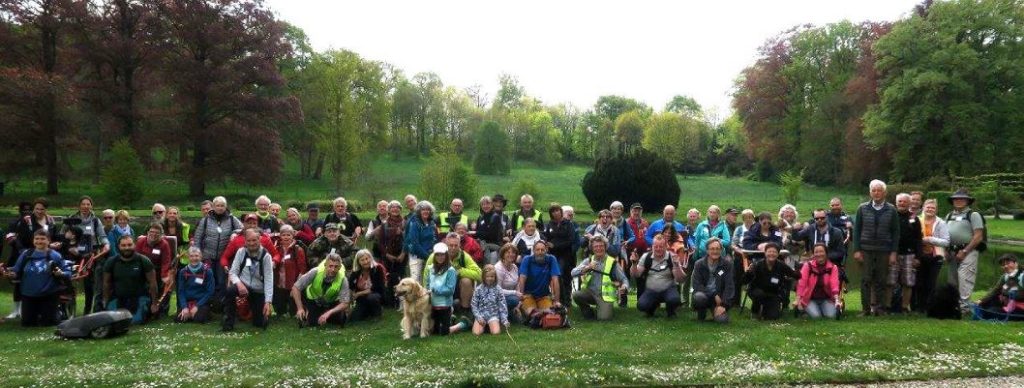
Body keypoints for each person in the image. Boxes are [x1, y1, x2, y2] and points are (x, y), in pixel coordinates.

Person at [852, 179, 900, 316]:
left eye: (879, 190)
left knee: (881, 280)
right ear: (870, 192)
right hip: (865, 250)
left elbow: (896, 233)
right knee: (866, 280)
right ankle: (865, 309)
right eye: (874, 190)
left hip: (884, 251)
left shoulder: (891, 210)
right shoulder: (862, 208)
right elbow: (857, 230)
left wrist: (893, 252)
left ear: (884, 192)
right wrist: (856, 250)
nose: (876, 193)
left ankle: (880, 308)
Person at [4, 230, 70, 327]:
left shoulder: (55, 255)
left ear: (49, 241)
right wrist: (8, 273)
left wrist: (61, 273)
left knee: (47, 324)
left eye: (43, 239)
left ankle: (57, 313)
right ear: (33, 240)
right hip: (28, 294)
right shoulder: (26, 254)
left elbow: (68, 273)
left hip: (48, 294)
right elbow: (16, 271)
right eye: (37, 239)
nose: (39, 241)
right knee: (27, 324)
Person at [7, 197, 56, 320]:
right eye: (37, 209)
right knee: (21, 280)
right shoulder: (27, 220)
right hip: (27, 254)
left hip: (45, 254)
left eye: (42, 209)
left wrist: (55, 244)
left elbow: (53, 236)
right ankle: (16, 310)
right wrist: (23, 251)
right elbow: (19, 238)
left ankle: (38, 308)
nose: (39, 211)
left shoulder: (50, 220)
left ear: (46, 210)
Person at [222, 229, 275, 331]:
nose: (251, 243)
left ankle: (262, 314)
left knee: (259, 323)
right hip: (244, 285)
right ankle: (228, 322)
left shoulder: (266, 256)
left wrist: (268, 301)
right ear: (245, 241)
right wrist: (239, 284)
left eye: (254, 240)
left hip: (258, 289)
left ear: (259, 240)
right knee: (230, 291)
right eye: (249, 241)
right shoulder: (241, 252)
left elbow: (269, 279)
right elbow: (233, 272)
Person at [945, 188, 987, 313]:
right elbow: (944, 235)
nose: (958, 201)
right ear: (952, 201)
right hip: (952, 251)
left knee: (965, 278)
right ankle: (953, 304)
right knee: (952, 280)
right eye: (956, 199)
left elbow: (978, 236)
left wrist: (965, 251)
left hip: (968, 251)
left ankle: (965, 307)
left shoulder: (973, 215)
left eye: (962, 199)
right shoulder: (949, 215)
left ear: (968, 201)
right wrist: (945, 250)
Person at [193, 196, 242, 302]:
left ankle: (220, 303)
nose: (220, 208)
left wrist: (234, 233)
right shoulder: (205, 220)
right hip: (207, 256)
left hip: (223, 257)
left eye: (222, 206)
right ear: (213, 207)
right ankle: (207, 302)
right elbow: (198, 237)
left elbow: (242, 230)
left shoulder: (232, 219)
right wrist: (197, 254)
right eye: (218, 205)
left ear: (226, 206)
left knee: (221, 281)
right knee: (207, 279)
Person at [103, 235, 159, 324]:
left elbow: (153, 283)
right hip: (118, 298)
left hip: (140, 298)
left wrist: (154, 304)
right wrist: (105, 301)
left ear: (134, 245)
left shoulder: (143, 260)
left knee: (135, 321)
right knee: (113, 320)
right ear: (118, 246)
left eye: (129, 245)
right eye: (123, 245)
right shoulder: (111, 262)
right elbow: (106, 283)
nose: (127, 248)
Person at [571, 236, 629, 321]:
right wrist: (587, 268)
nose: (599, 248)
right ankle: (587, 311)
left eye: (601, 246)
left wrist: (624, 287)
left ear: (605, 247)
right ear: (592, 248)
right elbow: (573, 273)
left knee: (603, 318)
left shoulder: (612, 262)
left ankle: (603, 308)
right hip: (590, 293)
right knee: (576, 295)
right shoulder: (588, 261)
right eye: (596, 246)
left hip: (605, 296)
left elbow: (624, 279)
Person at [422, 233, 482, 313]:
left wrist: (459, 271)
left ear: (459, 245)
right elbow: (426, 276)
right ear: (446, 244)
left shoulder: (464, 256)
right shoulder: (434, 256)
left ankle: (465, 310)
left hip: (457, 288)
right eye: (450, 245)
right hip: (439, 288)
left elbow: (480, 274)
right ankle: (447, 305)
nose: (453, 248)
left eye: (456, 245)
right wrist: (426, 293)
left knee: (466, 281)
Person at [631, 235, 686, 318]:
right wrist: (634, 263)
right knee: (641, 305)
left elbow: (680, 279)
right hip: (651, 290)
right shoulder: (646, 257)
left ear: (666, 247)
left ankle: (671, 312)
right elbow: (635, 274)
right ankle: (651, 309)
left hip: (668, 289)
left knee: (674, 300)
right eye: (656, 246)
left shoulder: (672, 257)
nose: (658, 249)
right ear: (652, 246)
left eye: (661, 246)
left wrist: (677, 265)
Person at [291, 253, 351, 328]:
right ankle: (307, 310)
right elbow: (296, 288)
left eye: (336, 267)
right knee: (313, 323)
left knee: (339, 321)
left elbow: (345, 302)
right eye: (330, 266)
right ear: (325, 265)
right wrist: (300, 308)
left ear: (339, 267)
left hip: (331, 302)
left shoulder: (343, 279)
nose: (333, 269)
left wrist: (329, 313)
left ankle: (326, 313)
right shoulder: (315, 271)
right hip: (314, 301)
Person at [743, 242, 798, 320]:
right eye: (769, 251)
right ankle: (755, 312)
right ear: (765, 253)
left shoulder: (781, 265)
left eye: (774, 252)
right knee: (759, 294)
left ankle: (765, 310)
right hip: (757, 291)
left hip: (773, 293)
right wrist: (748, 272)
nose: (771, 254)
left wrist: (799, 266)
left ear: (778, 254)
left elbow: (795, 275)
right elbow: (744, 281)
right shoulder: (757, 265)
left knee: (772, 317)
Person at [425, 243, 470, 335]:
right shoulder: (430, 269)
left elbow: (450, 290)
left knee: (444, 333)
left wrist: (436, 290)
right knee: (434, 332)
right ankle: (451, 318)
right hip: (433, 304)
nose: (440, 257)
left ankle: (462, 324)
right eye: (437, 255)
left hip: (444, 305)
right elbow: (427, 284)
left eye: (442, 255)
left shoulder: (451, 271)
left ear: (446, 255)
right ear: (434, 256)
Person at [913, 199, 950, 313]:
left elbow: (946, 241)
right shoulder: (916, 220)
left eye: (932, 208)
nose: (930, 209)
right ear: (923, 208)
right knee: (919, 282)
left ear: (936, 210)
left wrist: (930, 239)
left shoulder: (941, 223)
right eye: (928, 207)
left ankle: (929, 307)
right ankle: (918, 307)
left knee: (931, 283)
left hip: (935, 256)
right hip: (920, 256)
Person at [889, 193, 923, 313]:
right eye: (900, 201)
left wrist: (918, 257)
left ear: (909, 203)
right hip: (893, 253)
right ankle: (888, 306)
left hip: (909, 255)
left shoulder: (914, 218)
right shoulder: (891, 216)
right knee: (890, 282)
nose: (902, 203)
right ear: (896, 202)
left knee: (908, 282)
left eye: (904, 201)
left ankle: (904, 307)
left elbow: (919, 238)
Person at [370, 201, 405, 307]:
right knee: (388, 279)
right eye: (392, 207)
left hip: (402, 255)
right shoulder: (384, 225)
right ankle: (390, 302)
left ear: (400, 209)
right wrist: (386, 254)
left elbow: (409, 240)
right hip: (388, 256)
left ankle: (401, 302)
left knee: (401, 279)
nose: (395, 209)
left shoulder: (406, 223)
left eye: (397, 207)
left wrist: (403, 254)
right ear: (389, 210)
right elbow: (380, 242)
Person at [691, 238, 733, 323]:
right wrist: (713, 294)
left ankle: (716, 312)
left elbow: (730, 286)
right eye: (712, 249)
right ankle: (701, 313)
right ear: (707, 250)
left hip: (719, 299)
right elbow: (697, 285)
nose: (715, 251)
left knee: (722, 321)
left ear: (721, 250)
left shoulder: (727, 264)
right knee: (699, 297)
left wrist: (723, 305)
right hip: (704, 295)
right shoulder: (699, 264)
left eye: (717, 249)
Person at [135, 223, 173, 317]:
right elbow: (136, 258)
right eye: (151, 232)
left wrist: (164, 275)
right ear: (147, 232)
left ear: (161, 235)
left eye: (157, 233)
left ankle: (161, 310)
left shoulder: (164, 244)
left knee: (165, 283)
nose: (153, 234)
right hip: (143, 270)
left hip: (158, 270)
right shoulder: (141, 242)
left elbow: (166, 261)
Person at [542, 203, 576, 307]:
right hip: (552, 256)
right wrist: (545, 243)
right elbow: (547, 237)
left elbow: (571, 240)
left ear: (561, 211)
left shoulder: (568, 224)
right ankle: (557, 299)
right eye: (553, 211)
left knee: (563, 275)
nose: (556, 213)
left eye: (557, 210)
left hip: (565, 255)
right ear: (551, 213)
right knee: (553, 276)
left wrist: (555, 245)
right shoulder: (550, 224)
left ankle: (566, 300)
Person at [796, 243, 842, 319]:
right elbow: (802, 283)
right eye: (816, 252)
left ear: (826, 253)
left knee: (831, 316)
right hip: (810, 299)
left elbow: (835, 284)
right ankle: (804, 309)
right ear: (813, 254)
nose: (819, 254)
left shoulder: (833, 267)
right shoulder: (807, 266)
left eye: (821, 251)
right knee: (816, 317)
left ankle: (816, 310)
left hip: (826, 299)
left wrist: (837, 300)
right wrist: (798, 300)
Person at [975, 254, 1024, 321]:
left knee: (990, 312)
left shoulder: (1022, 276)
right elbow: (995, 290)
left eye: (1008, 263)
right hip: (1007, 304)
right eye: (1003, 265)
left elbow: (1019, 294)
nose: (1006, 266)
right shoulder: (1005, 276)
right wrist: (981, 300)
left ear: (1016, 263)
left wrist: (1008, 296)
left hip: (1019, 308)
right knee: (983, 305)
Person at [273, 225, 307, 317]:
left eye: (288, 235)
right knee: (279, 311)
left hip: (293, 283)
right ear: (280, 236)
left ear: (293, 236)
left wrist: (297, 286)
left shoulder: (298, 250)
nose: (286, 237)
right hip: (279, 283)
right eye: (283, 235)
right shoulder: (276, 248)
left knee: (292, 312)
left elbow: (303, 269)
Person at [175, 247, 215, 324]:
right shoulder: (183, 272)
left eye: (196, 256)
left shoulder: (208, 271)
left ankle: (205, 312)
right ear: (188, 257)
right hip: (187, 301)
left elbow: (210, 292)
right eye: (192, 256)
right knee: (179, 319)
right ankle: (189, 313)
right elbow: (181, 291)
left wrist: (197, 306)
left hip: (201, 302)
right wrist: (184, 307)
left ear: (201, 256)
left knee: (199, 318)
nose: (194, 258)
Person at [404, 201, 438, 284]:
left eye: (428, 210)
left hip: (429, 255)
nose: (426, 211)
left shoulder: (432, 223)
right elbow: (415, 243)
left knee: (428, 280)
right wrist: (427, 256)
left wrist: (432, 253)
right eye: (423, 210)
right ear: (419, 211)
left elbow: (434, 239)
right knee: (415, 281)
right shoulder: (415, 223)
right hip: (416, 256)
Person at [471, 264, 510, 335]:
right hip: (481, 315)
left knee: (496, 333)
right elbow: (474, 305)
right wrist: (478, 317)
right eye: (487, 276)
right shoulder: (478, 289)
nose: (489, 278)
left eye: (492, 276)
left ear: (495, 277)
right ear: (483, 277)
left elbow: (502, 305)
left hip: (493, 315)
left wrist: (504, 319)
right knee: (476, 333)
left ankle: (493, 325)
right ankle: (483, 326)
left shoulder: (498, 289)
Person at [348, 249, 386, 321]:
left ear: (370, 258)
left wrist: (359, 293)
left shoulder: (378, 268)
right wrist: (351, 298)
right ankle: (368, 311)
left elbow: (377, 287)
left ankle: (377, 314)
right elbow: (351, 287)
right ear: (358, 262)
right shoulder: (355, 272)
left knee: (372, 297)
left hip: (376, 294)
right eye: (362, 260)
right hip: (361, 299)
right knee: (354, 318)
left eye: (367, 258)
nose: (365, 262)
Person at [729, 209, 755, 307]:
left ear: (753, 217)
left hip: (753, 256)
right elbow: (733, 245)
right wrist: (742, 252)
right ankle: (735, 303)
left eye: (750, 217)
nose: (748, 219)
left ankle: (755, 303)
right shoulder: (739, 229)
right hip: (740, 256)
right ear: (743, 219)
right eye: (746, 217)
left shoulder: (757, 228)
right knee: (737, 279)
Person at [473, 195, 508, 264]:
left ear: (492, 205)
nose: (485, 206)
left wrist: (475, 233)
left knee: (491, 268)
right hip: (482, 247)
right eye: (483, 204)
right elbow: (478, 232)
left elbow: (491, 235)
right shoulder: (480, 218)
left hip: (493, 248)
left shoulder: (495, 217)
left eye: (488, 204)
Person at [495, 244, 521, 321]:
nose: (511, 254)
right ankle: (499, 314)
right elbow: (497, 290)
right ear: (503, 254)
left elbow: (517, 284)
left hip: (509, 296)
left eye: (513, 253)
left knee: (518, 300)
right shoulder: (498, 268)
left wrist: (519, 297)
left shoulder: (515, 267)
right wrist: (515, 293)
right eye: (508, 252)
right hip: (497, 297)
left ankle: (510, 313)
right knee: (514, 299)